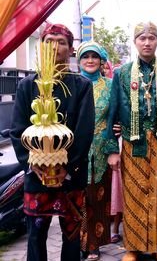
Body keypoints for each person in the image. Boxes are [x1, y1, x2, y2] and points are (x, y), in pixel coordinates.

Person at [10, 24, 95, 261]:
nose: (54, 47)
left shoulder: (82, 85)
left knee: (71, 234)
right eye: (49, 41)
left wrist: (66, 167)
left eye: (61, 42)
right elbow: (18, 131)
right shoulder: (28, 85)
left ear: (70, 50)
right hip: (36, 176)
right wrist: (33, 163)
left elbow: (84, 131)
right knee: (36, 235)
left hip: (71, 175)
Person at [105, 21, 157, 261]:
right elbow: (113, 110)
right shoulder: (122, 72)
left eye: (151, 38)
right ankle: (132, 248)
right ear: (135, 42)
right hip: (132, 142)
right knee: (133, 194)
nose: (147, 42)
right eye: (142, 38)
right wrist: (112, 150)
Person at [76, 41, 114, 261]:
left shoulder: (110, 85)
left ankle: (95, 244)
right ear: (79, 61)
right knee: (78, 197)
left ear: (101, 60)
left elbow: (117, 111)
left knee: (98, 196)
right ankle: (79, 242)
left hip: (102, 148)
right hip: (77, 149)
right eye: (85, 57)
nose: (90, 61)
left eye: (94, 57)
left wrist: (116, 127)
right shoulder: (72, 83)